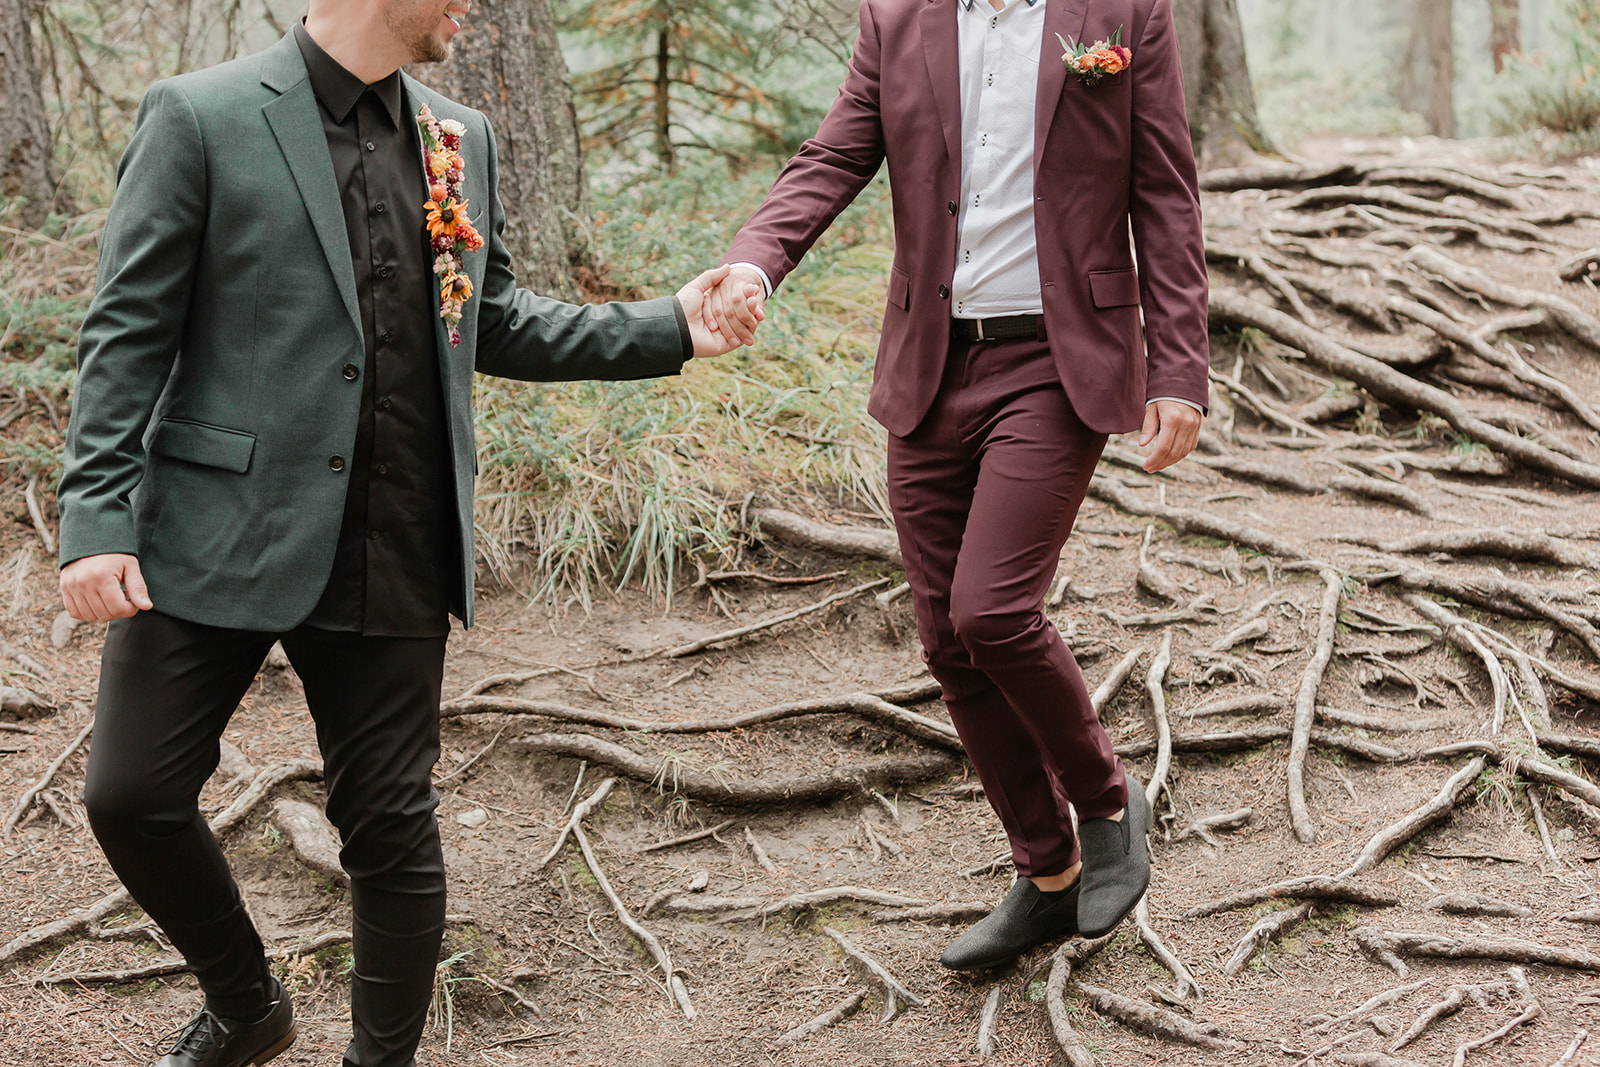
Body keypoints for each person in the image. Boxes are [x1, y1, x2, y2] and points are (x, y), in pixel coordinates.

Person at [55, 2, 761, 1065]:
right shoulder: (198, 117)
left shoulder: (457, 134)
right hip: (215, 522)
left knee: (388, 823)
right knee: (130, 793)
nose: (469, 5)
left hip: (396, 527)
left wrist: (669, 324)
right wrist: (96, 517)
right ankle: (248, 1005)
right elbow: (127, 329)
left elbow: (496, 314)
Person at [703, 0, 1207, 969]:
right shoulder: (898, 18)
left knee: (993, 608)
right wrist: (756, 261)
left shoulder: (1123, 14)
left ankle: (1106, 800)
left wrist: (1179, 368)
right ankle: (1047, 871)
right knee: (945, 634)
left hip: (1057, 363)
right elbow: (835, 156)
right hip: (931, 364)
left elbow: (1167, 195)